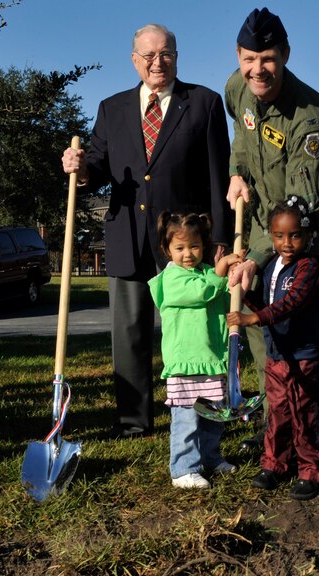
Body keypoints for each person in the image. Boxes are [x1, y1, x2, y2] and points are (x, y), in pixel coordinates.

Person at [61, 24, 231, 438]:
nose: (158, 62)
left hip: (185, 243)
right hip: (128, 238)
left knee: (194, 335)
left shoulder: (204, 103)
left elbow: (218, 175)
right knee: (129, 335)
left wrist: (222, 241)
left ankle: (200, 414)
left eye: (166, 53)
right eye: (149, 55)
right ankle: (133, 421)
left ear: (177, 55)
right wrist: (80, 169)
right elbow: (97, 165)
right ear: (134, 59)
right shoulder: (112, 108)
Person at [224, 7, 319, 451]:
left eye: (268, 58)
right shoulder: (237, 88)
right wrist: (236, 171)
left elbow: (298, 206)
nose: (258, 69)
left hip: (302, 231)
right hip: (257, 221)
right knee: (258, 322)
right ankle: (278, 421)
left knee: (307, 326)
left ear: (286, 55)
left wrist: (255, 257)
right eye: (249, 58)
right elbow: (241, 137)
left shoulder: (309, 117)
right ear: (238, 55)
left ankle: (317, 430)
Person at [228, 198, 319, 500]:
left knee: (305, 415)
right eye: (279, 236)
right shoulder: (272, 265)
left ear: (308, 235)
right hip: (277, 356)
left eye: (295, 235)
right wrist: (243, 297)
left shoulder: (309, 268)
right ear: (271, 236)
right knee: (278, 414)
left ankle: (312, 470)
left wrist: (254, 318)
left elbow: (291, 304)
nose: (287, 243)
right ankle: (275, 464)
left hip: (303, 357)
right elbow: (268, 303)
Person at [148, 211, 241, 489]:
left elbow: (220, 297)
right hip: (186, 361)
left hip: (212, 358)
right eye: (179, 248)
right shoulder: (171, 278)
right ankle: (184, 468)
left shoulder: (206, 274)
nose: (187, 254)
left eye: (195, 246)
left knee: (214, 416)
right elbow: (200, 292)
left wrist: (233, 285)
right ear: (167, 250)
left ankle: (210, 458)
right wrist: (222, 271)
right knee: (187, 417)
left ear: (205, 246)